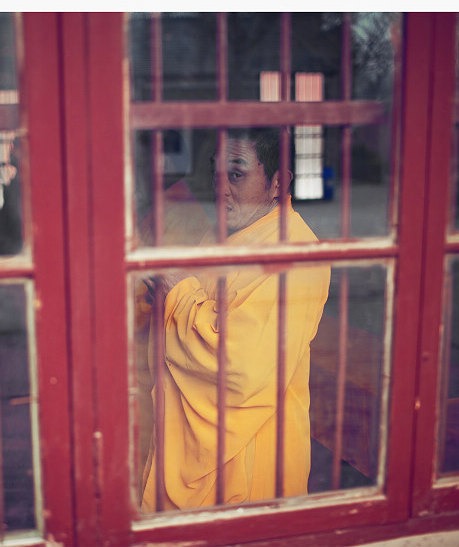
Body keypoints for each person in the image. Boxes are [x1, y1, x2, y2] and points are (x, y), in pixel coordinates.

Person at [139, 128, 330, 511]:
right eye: (217, 173)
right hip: (192, 445)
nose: (221, 189)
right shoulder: (225, 233)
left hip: (252, 456)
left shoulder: (294, 251)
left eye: (237, 174)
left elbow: (240, 367)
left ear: (279, 183)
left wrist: (178, 292)